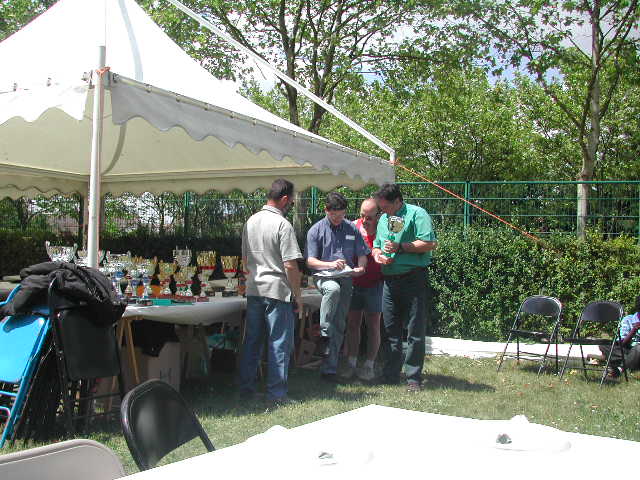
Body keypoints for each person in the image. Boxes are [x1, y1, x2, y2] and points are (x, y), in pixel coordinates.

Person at [238, 178, 303, 406]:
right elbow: (290, 265)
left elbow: (245, 260)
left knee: (252, 342)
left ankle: (246, 390)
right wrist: (297, 295)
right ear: (284, 199)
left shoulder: (251, 221)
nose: (291, 204)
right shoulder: (282, 225)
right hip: (277, 290)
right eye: (291, 201)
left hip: (254, 288)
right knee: (279, 343)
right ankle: (277, 394)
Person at [371, 183, 437, 392]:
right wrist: (378, 256)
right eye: (381, 208)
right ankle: (390, 374)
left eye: (386, 207)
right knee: (390, 328)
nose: (383, 211)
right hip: (390, 280)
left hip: (413, 278)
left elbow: (429, 243)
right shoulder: (384, 219)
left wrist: (401, 247)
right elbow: (377, 245)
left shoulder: (417, 214)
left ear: (398, 201)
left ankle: (413, 378)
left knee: (415, 329)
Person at [306, 192, 368, 381]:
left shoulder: (351, 228)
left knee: (340, 323)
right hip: (323, 276)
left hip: (346, 277)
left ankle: (330, 369)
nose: (338, 218)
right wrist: (330, 265)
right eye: (335, 215)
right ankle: (324, 333)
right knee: (333, 289)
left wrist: (361, 268)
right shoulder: (316, 230)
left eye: (342, 215)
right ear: (326, 210)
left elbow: (363, 253)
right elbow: (310, 261)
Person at [344, 198, 383, 381]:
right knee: (352, 324)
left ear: (378, 216)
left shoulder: (384, 230)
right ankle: (351, 363)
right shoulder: (353, 227)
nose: (365, 220)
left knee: (373, 325)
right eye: (362, 216)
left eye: (369, 217)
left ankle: (369, 365)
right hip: (354, 283)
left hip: (375, 284)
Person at [601, 296, 640, 378]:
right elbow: (621, 343)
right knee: (604, 345)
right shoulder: (628, 319)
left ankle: (620, 369)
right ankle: (630, 362)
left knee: (638, 348)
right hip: (627, 349)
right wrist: (634, 330)